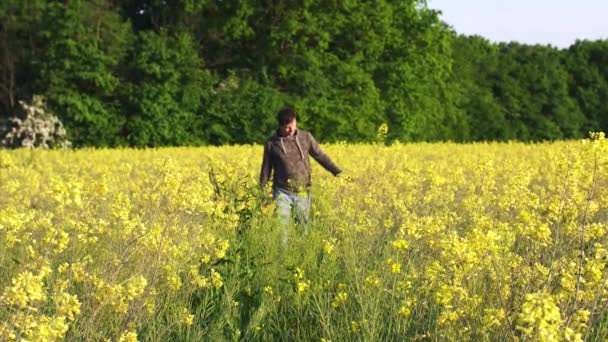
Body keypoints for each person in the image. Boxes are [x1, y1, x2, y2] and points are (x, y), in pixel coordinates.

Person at [260, 108, 342, 245]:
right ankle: (283, 256)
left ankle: (302, 254)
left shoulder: (305, 137)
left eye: (293, 125)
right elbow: (266, 169)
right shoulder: (271, 144)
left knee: (303, 227)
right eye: (287, 127)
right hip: (282, 191)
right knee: (282, 228)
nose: (291, 129)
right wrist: (262, 193)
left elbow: (320, 156)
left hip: (303, 191)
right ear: (280, 126)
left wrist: (337, 172)